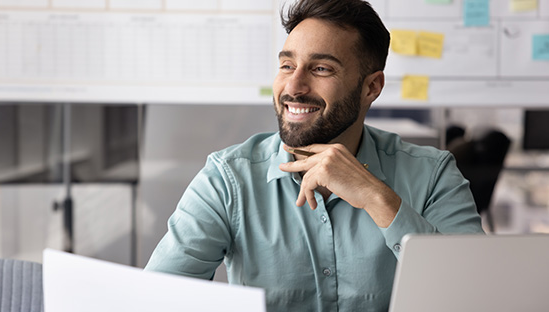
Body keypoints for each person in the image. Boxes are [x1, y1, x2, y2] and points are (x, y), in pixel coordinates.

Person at [145, 0, 484, 311]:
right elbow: (156, 301)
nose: (293, 87)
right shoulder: (227, 178)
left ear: (371, 88)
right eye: (287, 65)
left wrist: (377, 198)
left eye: (321, 69)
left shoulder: (433, 174)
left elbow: (477, 296)